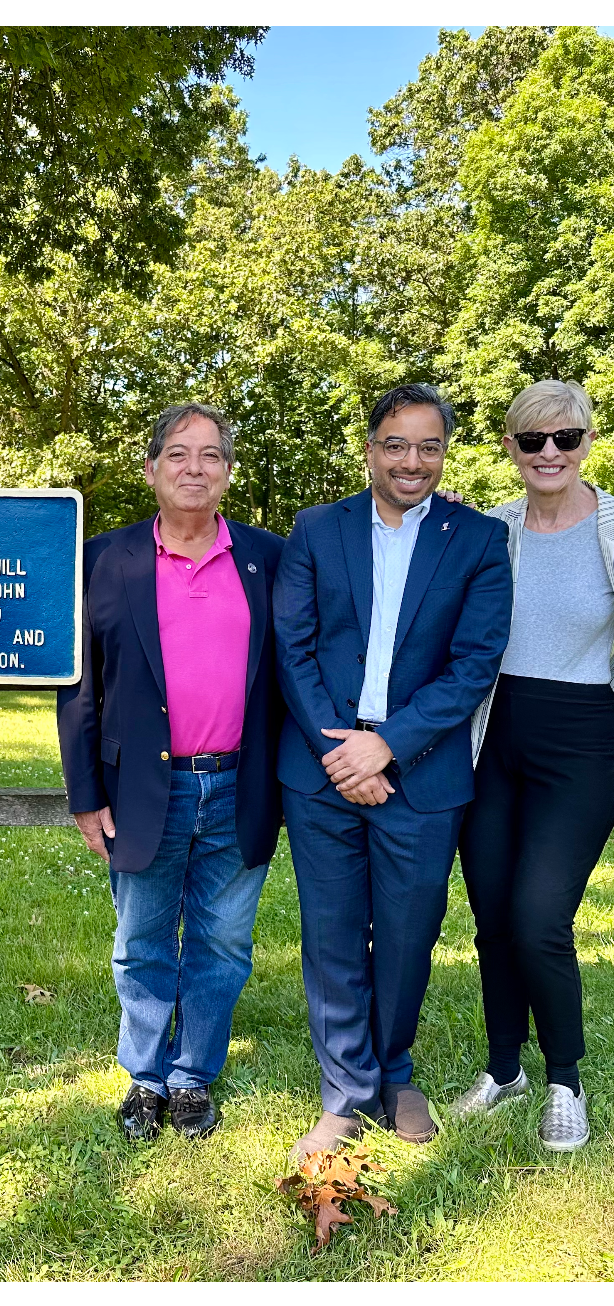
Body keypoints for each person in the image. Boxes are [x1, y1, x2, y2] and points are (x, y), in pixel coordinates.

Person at [273, 383, 513, 1164]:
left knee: (409, 934)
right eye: (397, 444)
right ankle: (346, 1092)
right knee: (334, 933)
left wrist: (390, 746)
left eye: (429, 446)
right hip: (321, 769)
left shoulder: (476, 540)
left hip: (422, 773)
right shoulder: (316, 530)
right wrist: (345, 753)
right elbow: (294, 649)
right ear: (371, 447)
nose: (413, 461)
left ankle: (395, 1068)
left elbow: (476, 663)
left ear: (444, 452)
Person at [57, 403, 286, 1142]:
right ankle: (145, 1078)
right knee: (143, 939)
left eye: (211, 455)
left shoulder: (269, 558)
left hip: (241, 783)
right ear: (151, 468)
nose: (195, 468)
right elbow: (78, 686)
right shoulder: (102, 559)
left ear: (228, 472)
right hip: (140, 789)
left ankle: (191, 1078)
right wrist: (85, 796)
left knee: (223, 941)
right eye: (179, 455)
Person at [450, 381, 613, 1151]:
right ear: (511, 448)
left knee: (539, 917)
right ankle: (503, 1067)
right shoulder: (494, 530)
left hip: (585, 743)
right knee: (490, 920)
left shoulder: (613, 526)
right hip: (494, 740)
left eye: (567, 438)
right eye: (532, 439)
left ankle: (564, 1080)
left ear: (587, 441)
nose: (551, 453)